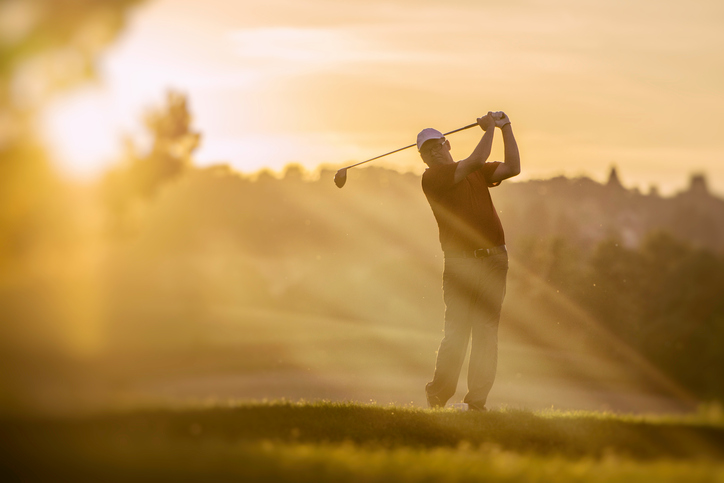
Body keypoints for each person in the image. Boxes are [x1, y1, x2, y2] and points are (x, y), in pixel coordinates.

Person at [418, 111, 520, 411]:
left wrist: (505, 127)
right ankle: (438, 394)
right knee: (457, 332)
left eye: (437, 145)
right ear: (423, 159)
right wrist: (487, 129)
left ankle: (477, 402)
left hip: (494, 259)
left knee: (486, 332)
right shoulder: (433, 177)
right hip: (461, 263)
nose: (434, 152)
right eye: (427, 151)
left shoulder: (476, 172)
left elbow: (513, 167)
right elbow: (475, 160)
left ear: (447, 144)